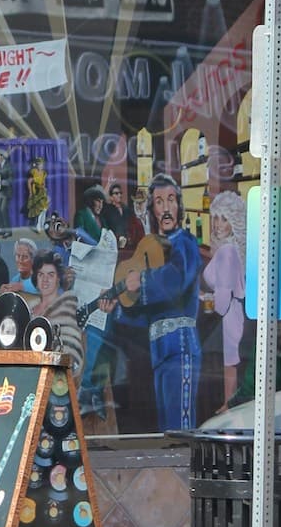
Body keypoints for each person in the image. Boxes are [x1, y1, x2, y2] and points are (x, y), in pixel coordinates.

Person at [105, 174, 203, 432]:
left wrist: (143, 281)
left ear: (179, 207)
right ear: (153, 211)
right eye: (159, 202)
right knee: (166, 430)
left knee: (179, 430)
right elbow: (146, 314)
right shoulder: (152, 249)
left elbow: (176, 280)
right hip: (158, 349)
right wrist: (119, 307)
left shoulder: (185, 244)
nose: (166, 207)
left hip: (180, 346)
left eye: (171, 200)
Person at [203, 189, 247, 407]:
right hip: (234, 314)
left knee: (229, 365)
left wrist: (204, 300)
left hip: (228, 317)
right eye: (215, 218)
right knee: (231, 364)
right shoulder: (232, 249)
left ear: (234, 221)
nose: (217, 224)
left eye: (224, 219)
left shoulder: (227, 252)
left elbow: (221, 301)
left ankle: (228, 407)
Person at [32, 249, 85, 378]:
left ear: (57, 279)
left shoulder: (66, 307)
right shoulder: (30, 309)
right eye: (41, 275)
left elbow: (71, 355)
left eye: (50, 275)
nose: (45, 280)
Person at [0, 147, 13, 231]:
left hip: (7, 192)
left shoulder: (8, 166)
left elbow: (11, 180)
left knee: (3, 210)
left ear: (2, 157)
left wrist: (1, 182)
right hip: (0, 192)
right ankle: (3, 228)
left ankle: (8, 230)